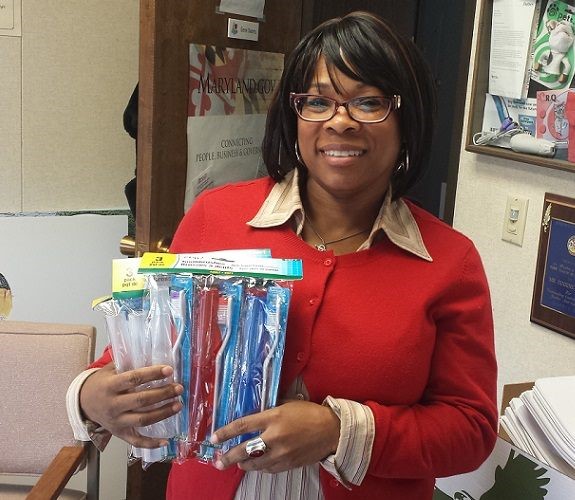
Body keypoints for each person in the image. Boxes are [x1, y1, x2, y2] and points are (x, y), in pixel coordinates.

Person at [68, 11, 498, 499]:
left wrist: (339, 431)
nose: (340, 121)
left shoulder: (449, 262)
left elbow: (471, 430)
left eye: (369, 102)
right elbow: (140, 350)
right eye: (317, 101)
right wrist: (91, 394)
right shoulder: (216, 216)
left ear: (407, 119)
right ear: (293, 115)